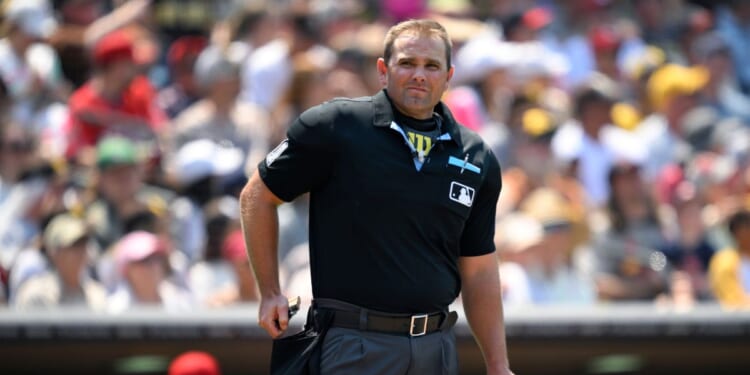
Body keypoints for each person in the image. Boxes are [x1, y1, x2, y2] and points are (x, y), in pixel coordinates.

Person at [240, 19, 513, 375]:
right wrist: (270, 291)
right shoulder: (336, 125)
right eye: (407, 63)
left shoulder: (478, 157)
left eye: (431, 66)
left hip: (437, 347)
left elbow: (478, 269)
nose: (419, 74)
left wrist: (498, 365)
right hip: (354, 343)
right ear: (383, 70)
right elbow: (256, 197)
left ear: (448, 76)